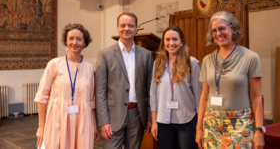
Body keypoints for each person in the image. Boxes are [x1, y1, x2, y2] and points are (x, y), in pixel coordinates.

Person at [195, 11, 265, 149]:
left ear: (233, 29)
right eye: (214, 30)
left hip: (240, 125)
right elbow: (204, 97)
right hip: (212, 125)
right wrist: (198, 129)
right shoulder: (207, 60)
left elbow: (256, 97)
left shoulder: (250, 57)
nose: (218, 33)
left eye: (222, 28)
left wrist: (259, 130)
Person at [35, 23, 100, 149]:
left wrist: (94, 125)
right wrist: (41, 127)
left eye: (79, 39)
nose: (74, 42)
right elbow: (42, 97)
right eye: (71, 38)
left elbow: (91, 101)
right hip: (58, 119)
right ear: (66, 41)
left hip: (83, 120)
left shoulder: (89, 67)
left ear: (85, 43)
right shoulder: (54, 64)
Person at [95, 12, 153, 149]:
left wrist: (149, 117)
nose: (126, 28)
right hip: (113, 116)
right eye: (123, 25)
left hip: (137, 116)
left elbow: (150, 88)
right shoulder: (105, 54)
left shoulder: (146, 55)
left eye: (131, 25)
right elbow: (100, 91)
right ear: (117, 28)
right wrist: (103, 121)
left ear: (136, 28)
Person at [150, 25, 202, 149]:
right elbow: (153, 94)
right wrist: (154, 122)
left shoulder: (192, 63)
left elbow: (200, 96)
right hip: (163, 119)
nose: (171, 43)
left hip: (187, 119)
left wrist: (200, 125)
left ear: (182, 41)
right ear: (163, 42)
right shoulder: (158, 63)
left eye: (175, 39)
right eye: (167, 40)